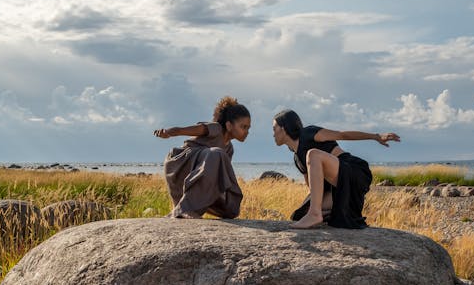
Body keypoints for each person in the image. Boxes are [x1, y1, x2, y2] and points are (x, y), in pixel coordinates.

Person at [272, 109, 400, 229]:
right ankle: (325, 212)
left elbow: (342, 135)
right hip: (341, 188)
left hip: (353, 171)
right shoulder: (297, 159)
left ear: (283, 128)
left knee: (313, 154)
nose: (273, 134)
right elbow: (314, 188)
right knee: (299, 214)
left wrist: (376, 136)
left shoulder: (308, 133)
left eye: (274, 128)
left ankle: (315, 214)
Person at [154, 96, 250, 219]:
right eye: (243, 127)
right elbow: (182, 130)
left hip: (198, 172)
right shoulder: (216, 128)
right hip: (181, 163)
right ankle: (185, 209)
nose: (247, 132)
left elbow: (217, 177)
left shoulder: (229, 149)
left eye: (248, 128)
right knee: (216, 154)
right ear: (229, 125)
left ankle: (187, 208)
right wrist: (167, 132)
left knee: (231, 210)